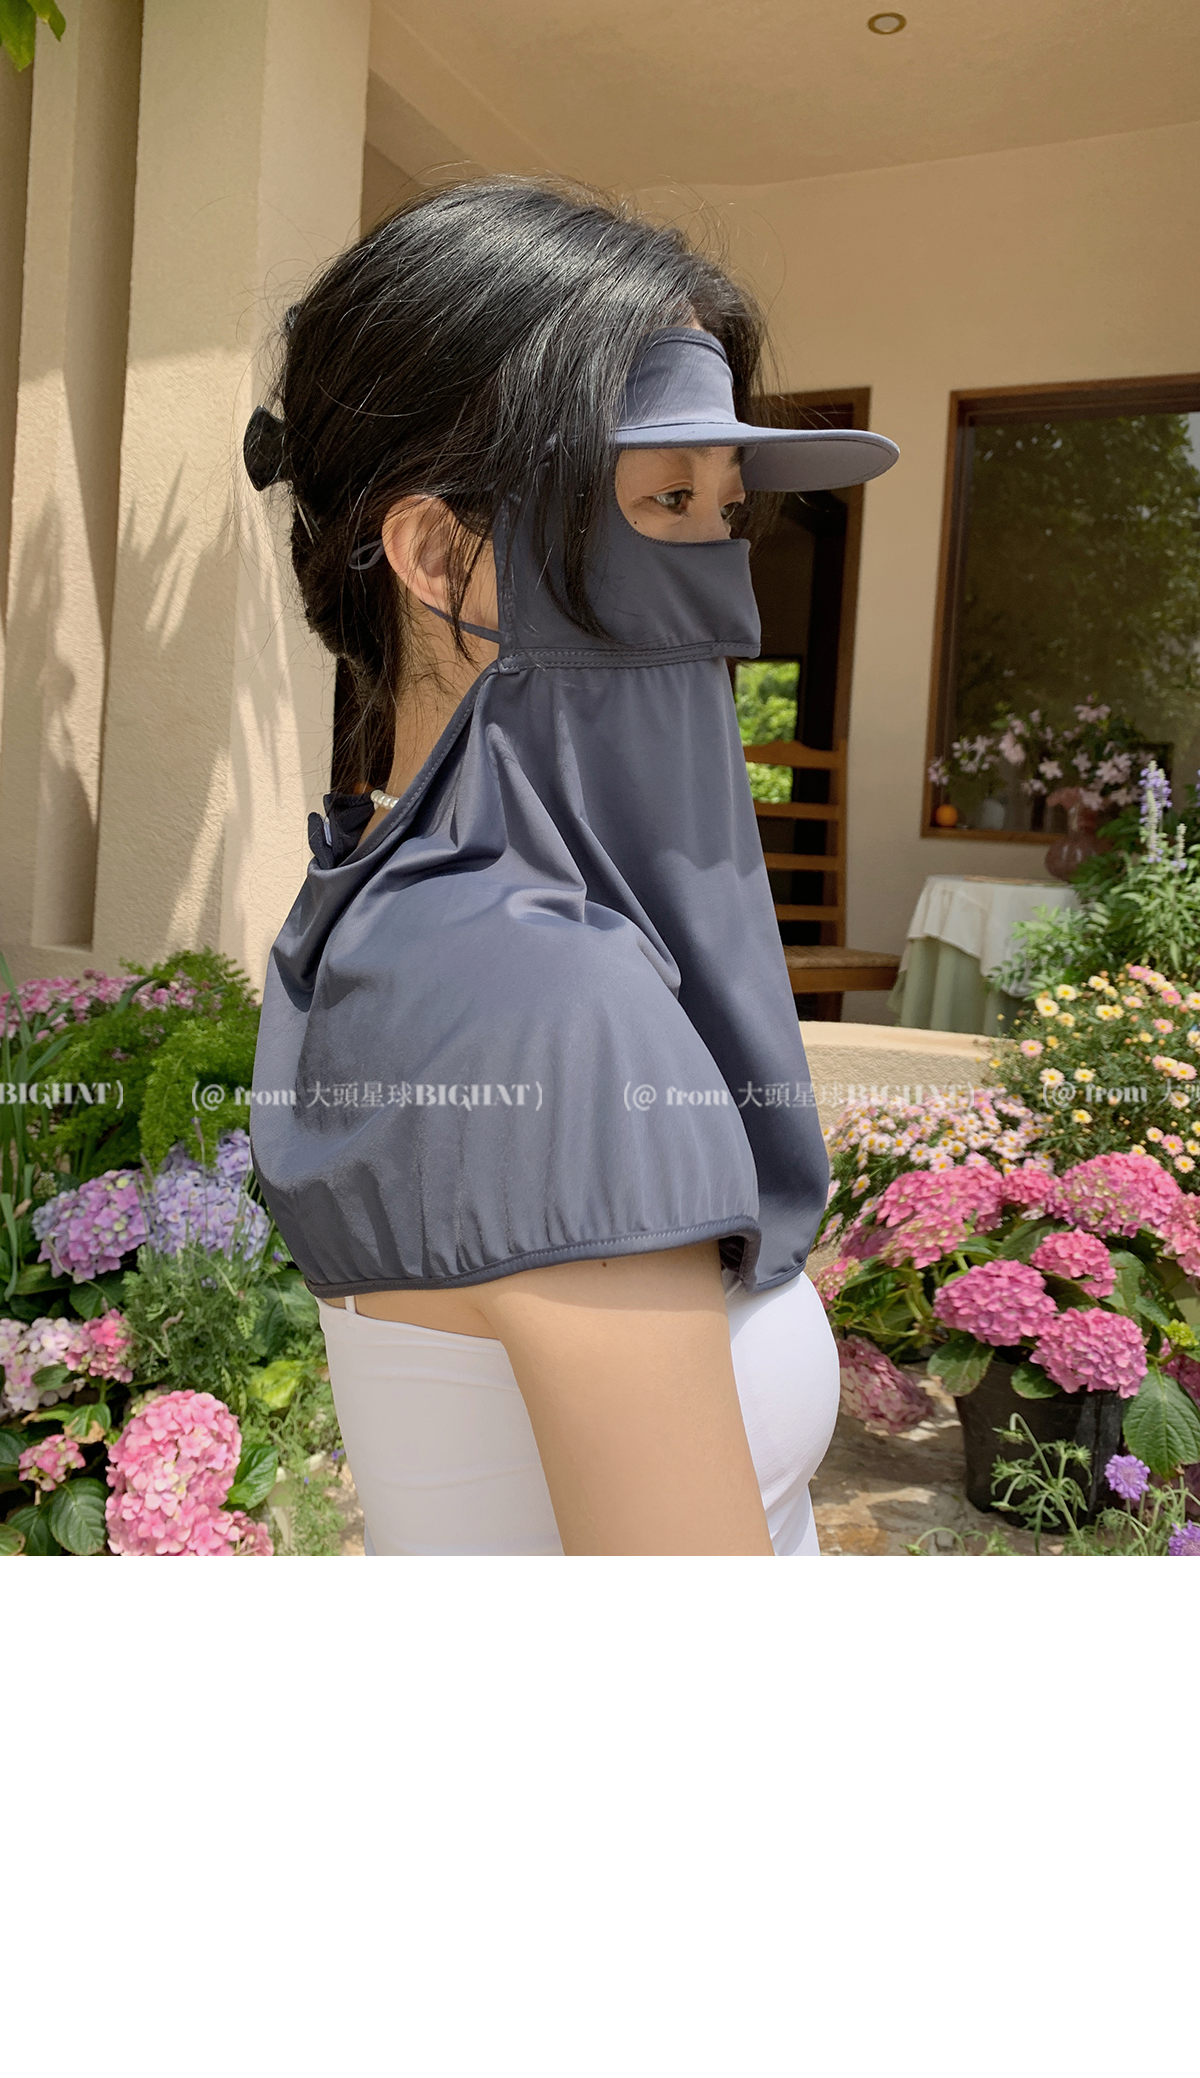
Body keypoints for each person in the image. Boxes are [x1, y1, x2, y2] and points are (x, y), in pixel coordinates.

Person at [244, 178, 898, 1558]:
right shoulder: (540, 994)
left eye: (728, 510)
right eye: (666, 499)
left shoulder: (406, 900)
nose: (725, 579)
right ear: (440, 554)